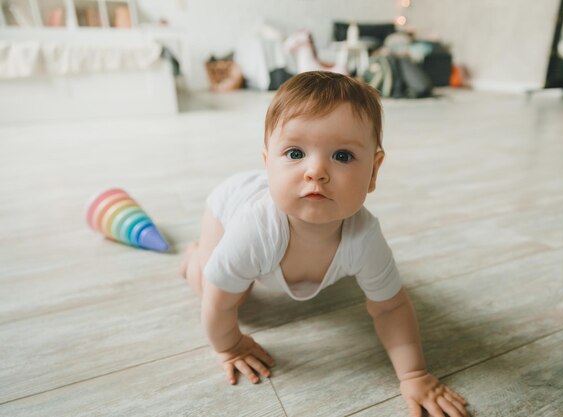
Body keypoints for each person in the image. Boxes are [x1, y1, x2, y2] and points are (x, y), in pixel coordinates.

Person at [179, 71, 469, 417]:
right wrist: (229, 347)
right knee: (226, 290)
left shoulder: (364, 236)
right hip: (228, 205)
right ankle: (195, 255)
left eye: (343, 156)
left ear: (374, 173)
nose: (316, 171)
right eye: (295, 152)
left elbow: (390, 308)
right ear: (267, 163)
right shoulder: (252, 229)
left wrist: (414, 374)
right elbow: (217, 302)